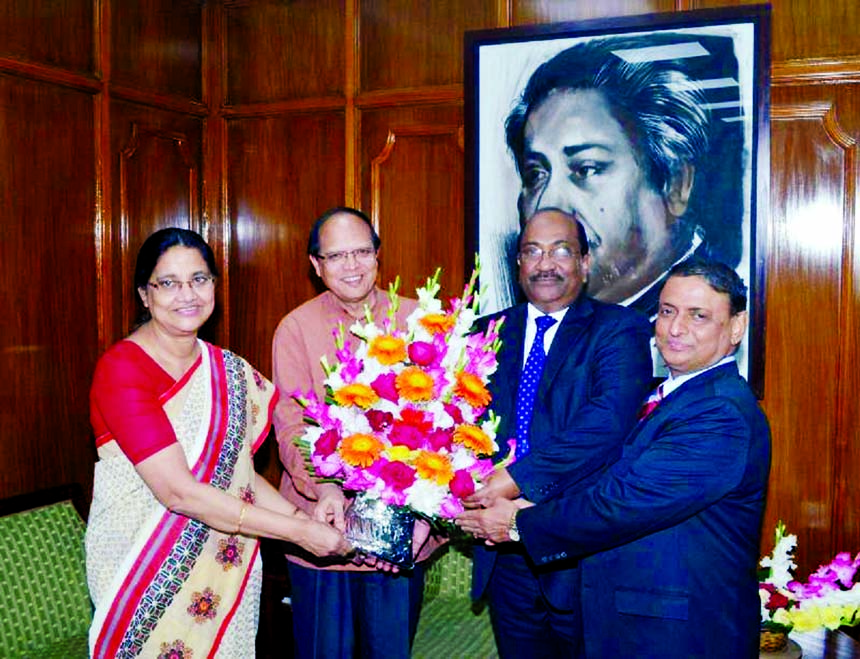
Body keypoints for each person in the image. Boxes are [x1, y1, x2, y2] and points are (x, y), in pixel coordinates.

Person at [457, 257, 771, 658]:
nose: (675, 329)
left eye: (699, 316)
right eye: (667, 311)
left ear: (736, 327)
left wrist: (519, 522)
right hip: (633, 625)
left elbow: (621, 504)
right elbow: (610, 483)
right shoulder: (665, 397)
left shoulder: (719, 414)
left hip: (679, 636)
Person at [85, 228, 351, 659]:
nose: (187, 294)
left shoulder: (227, 369)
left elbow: (237, 474)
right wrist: (299, 532)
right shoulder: (122, 370)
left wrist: (306, 515)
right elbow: (178, 492)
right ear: (144, 294)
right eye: (168, 283)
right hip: (142, 568)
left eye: (200, 279)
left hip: (222, 568)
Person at [462, 208, 653, 657]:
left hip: (580, 553)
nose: (545, 263)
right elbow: (460, 426)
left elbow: (605, 424)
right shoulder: (483, 334)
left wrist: (514, 480)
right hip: (503, 554)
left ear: (585, 262)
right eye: (532, 251)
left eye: (561, 250)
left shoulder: (619, 329)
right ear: (518, 264)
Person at [272, 207, 439, 659]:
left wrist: (420, 515)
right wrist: (326, 488)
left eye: (362, 251)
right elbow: (290, 426)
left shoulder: (419, 323)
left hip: (400, 536)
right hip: (322, 538)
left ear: (378, 255)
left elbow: (446, 428)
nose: (352, 265)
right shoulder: (295, 329)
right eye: (337, 255)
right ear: (316, 265)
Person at [501, 33, 744, 316]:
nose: (547, 205)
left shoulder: (702, 322)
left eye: (587, 169)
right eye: (535, 174)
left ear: (676, 184)